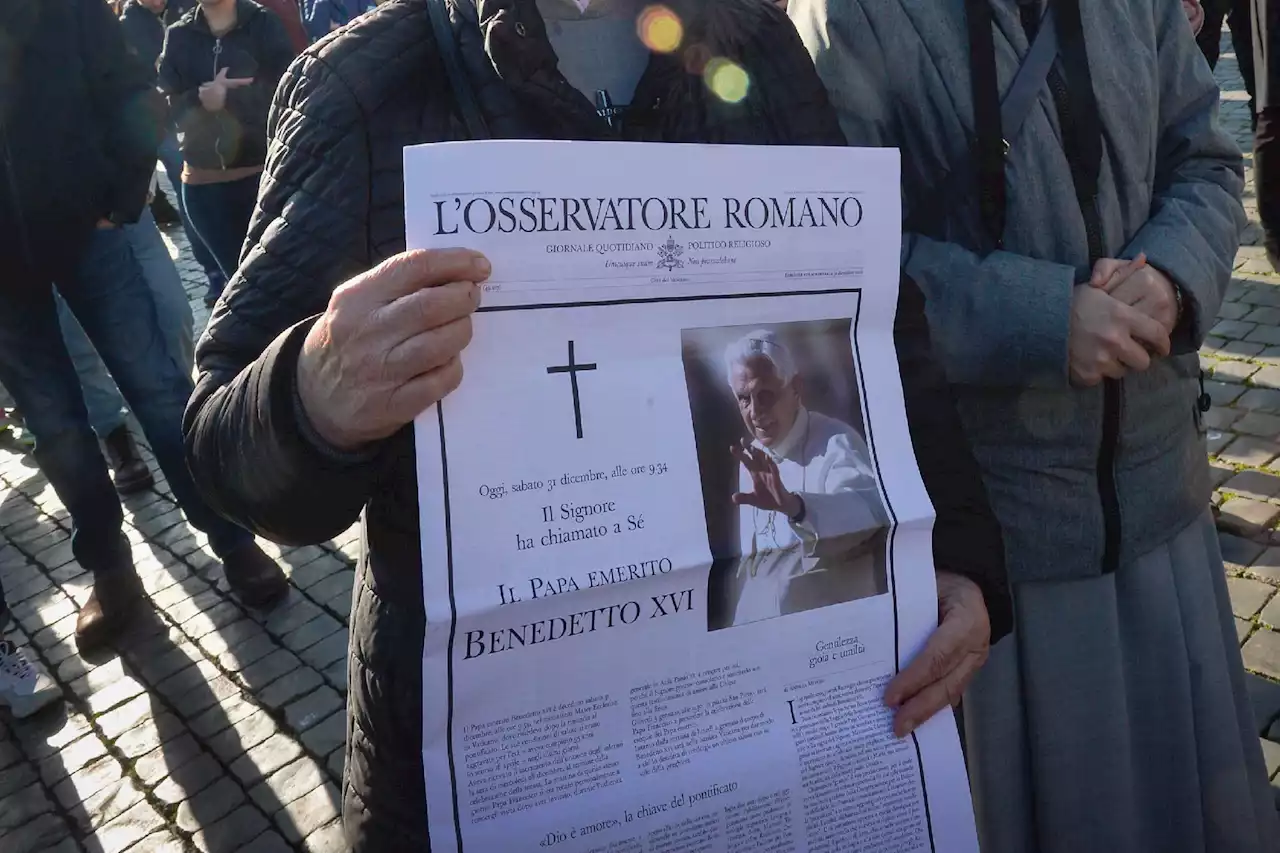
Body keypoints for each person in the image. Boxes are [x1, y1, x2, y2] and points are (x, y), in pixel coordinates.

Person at [181, 1, 1010, 847]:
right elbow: (219, 441)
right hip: (495, 766)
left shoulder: (753, 41)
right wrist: (312, 392)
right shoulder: (366, 83)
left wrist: (961, 559)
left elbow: (879, 325)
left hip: (774, 739)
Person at [792, 0, 1277, 849]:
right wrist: (1043, 318)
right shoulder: (848, 16)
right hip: (1009, 565)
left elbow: (1202, 153)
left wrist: (1170, 275)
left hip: (1166, 520)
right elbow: (837, 259)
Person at [0, 0, 290, 666]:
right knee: (56, 428)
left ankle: (231, 537)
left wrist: (119, 196)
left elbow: (133, 92)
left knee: (158, 388)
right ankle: (110, 569)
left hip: (87, 227)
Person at [723, 331, 887, 626]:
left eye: (766, 395)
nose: (755, 412)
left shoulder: (836, 442)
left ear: (796, 387)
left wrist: (796, 507)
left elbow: (870, 515)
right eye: (744, 399)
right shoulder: (752, 454)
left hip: (830, 628)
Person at [157, 0, 296, 305]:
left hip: (261, 181)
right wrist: (200, 98)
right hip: (203, 190)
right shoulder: (179, 34)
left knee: (279, 283)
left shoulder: (263, 23)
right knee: (241, 289)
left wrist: (231, 99)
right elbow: (168, 106)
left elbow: (288, 90)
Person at [119, 0, 229, 300]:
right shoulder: (127, 26)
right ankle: (214, 272)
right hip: (162, 125)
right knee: (188, 191)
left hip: (207, 113)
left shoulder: (189, 10)